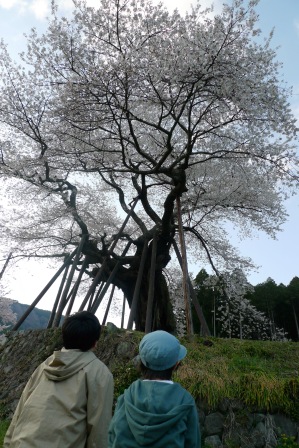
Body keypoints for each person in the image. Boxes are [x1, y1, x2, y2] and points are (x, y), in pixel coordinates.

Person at [4, 311, 114, 448]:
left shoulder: (45, 365)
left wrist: (8, 443)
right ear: (95, 342)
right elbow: (100, 427)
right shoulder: (99, 373)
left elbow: (21, 410)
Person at [108, 330, 201, 448]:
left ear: (142, 361)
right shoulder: (185, 401)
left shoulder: (127, 398)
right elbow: (193, 443)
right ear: (175, 364)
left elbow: (112, 438)